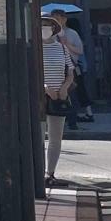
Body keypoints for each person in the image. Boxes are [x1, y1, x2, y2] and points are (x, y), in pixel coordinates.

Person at [41, 15, 74, 182]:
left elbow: (70, 72)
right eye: (41, 25)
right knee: (38, 138)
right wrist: (45, 88)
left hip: (59, 97)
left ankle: (50, 173)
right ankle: (37, 173)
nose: (45, 29)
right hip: (40, 98)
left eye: (48, 25)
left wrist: (64, 87)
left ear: (54, 29)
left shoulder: (62, 49)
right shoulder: (33, 48)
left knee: (55, 138)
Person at [51, 9, 94, 122]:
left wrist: (67, 45)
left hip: (71, 66)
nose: (56, 21)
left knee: (76, 89)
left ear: (64, 19)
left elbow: (79, 51)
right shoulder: (50, 33)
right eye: (53, 18)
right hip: (55, 66)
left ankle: (77, 115)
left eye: (58, 18)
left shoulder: (72, 33)